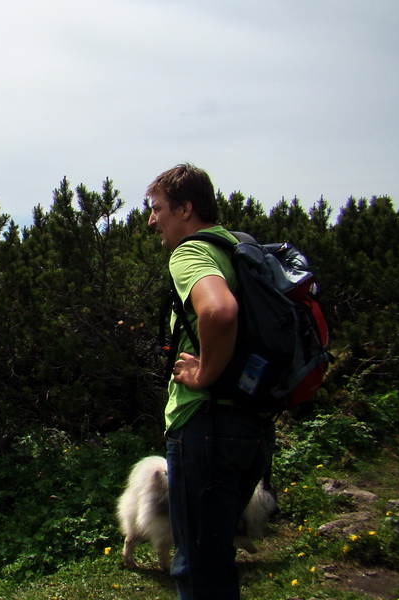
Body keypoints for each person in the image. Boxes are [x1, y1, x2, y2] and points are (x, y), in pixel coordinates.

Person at [146, 163, 274, 600]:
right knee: (216, 560)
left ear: (185, 208)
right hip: (250, 427)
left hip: (206, 426)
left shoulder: (190, 253)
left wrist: (204, 373)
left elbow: (219, 311)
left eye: (157, 208)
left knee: (198, 568)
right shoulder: (237, 248)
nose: (151, 220)